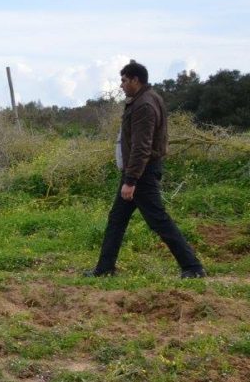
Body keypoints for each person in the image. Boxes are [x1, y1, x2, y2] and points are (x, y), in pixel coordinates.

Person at [85, 60, 205, 278]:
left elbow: (142, 147)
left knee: (158, 220)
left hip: (141, 173)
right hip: (136, 172)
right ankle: (104, 269)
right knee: (117, 219)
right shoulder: (145, 99)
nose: (121, 85)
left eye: (123, 80)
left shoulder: (144, 105)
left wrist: (131, 181)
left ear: (135, 80)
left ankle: (193, 267)